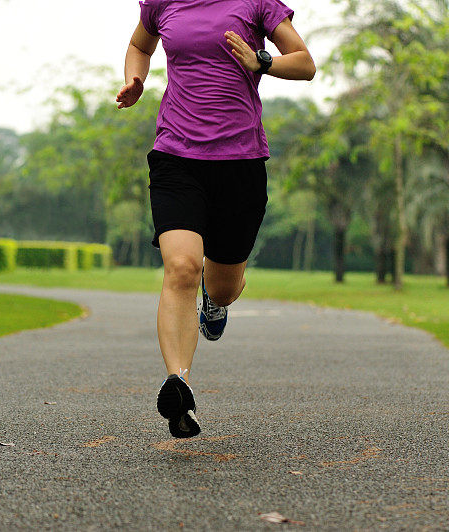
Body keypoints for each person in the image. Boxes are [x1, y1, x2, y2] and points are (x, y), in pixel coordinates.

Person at [116, 0, 316, 438]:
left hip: (240, 162)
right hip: (176, 157)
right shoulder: (162, 4)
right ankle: (178, 384)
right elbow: (139, 45)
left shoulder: (257, 4)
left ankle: (215, 300)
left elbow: (305, 64)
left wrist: (261, 60)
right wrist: (136, 78)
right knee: (181, 267)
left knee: (224, 286)